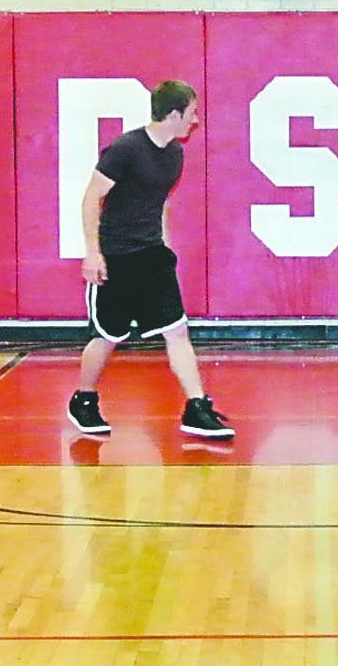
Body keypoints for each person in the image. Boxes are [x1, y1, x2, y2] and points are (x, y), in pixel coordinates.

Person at [68, 79, 232, 441]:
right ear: (174, 114)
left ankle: (196, 407)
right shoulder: (125, 149)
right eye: (191, 112)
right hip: (116, 257)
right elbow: (91, 199)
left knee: (177, 331)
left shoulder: (174, 154)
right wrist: (93, 253)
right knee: (109, 337)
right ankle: (84, 399)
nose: (196, 120)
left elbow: (158, 201)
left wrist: (165, 246)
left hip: (152, 258)